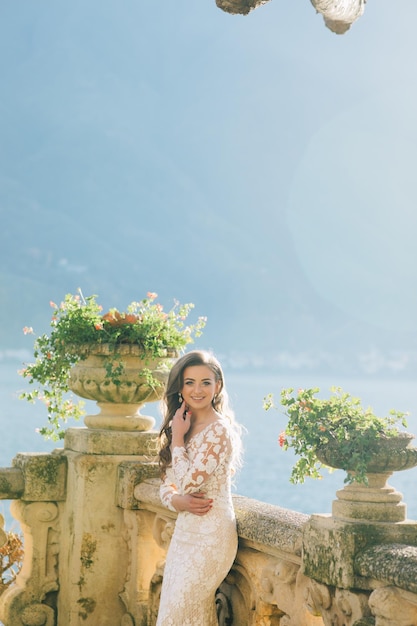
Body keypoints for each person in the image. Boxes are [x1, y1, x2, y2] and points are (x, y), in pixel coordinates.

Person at [156, 350, 243, 626]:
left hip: (211, 536)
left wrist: (178, 439)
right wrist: (176, 502)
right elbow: (167, 483)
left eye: (206, 382)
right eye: (190, 382)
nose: (198, 389)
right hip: (185, 534)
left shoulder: (219, 431)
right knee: (179, 614)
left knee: (181, 612)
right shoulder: (183, 423)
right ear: (180, 387)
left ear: (217, 386)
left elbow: (190, 482)